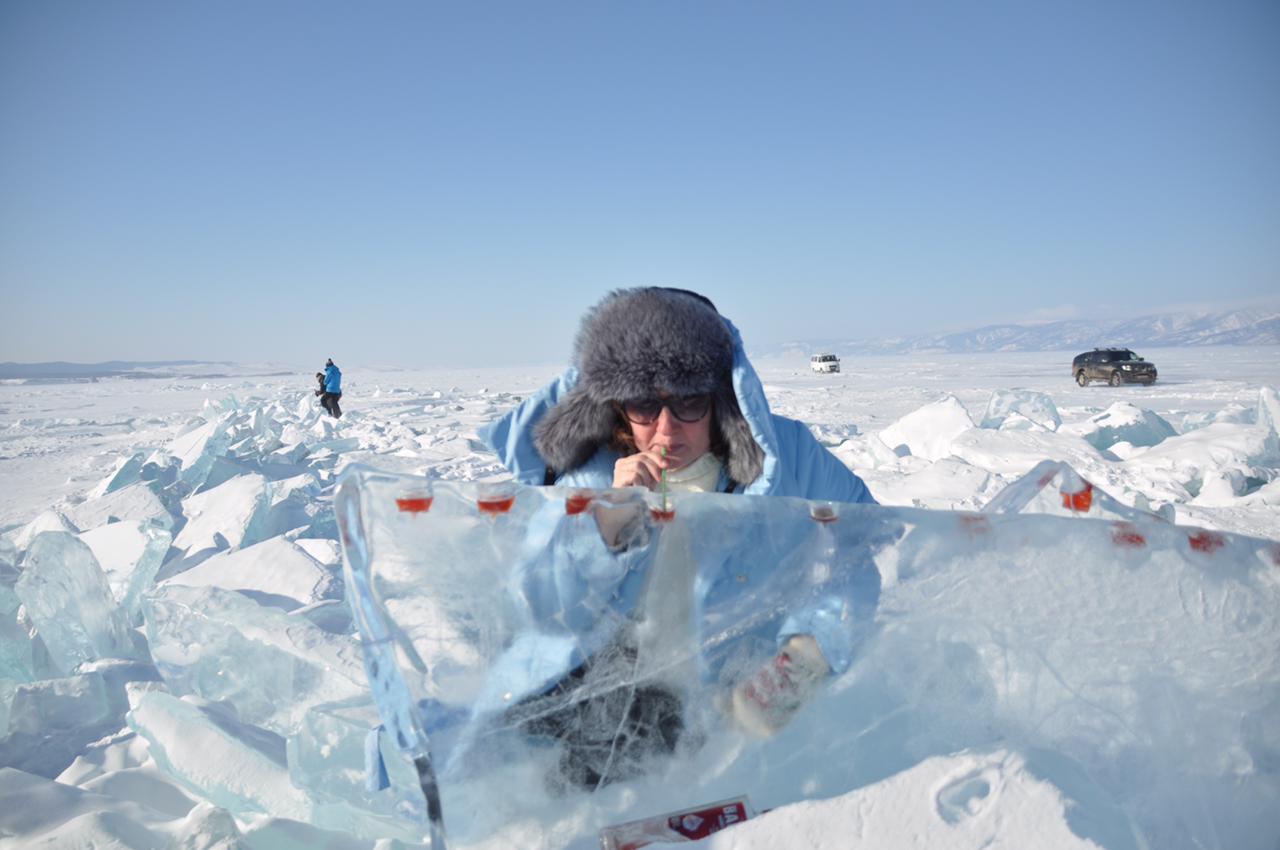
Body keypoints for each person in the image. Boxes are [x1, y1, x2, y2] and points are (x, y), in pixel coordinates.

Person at [479, 287, 880, 786]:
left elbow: (866, 539)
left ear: (722, 399)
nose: (666, 431)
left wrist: (810, 650)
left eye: (689, 401)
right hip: (603, 701)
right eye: (645, 406)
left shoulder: (789, 458)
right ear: (618, 406)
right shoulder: (589, 477)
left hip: (734, 706)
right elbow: (540, 608)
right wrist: (603, 524)